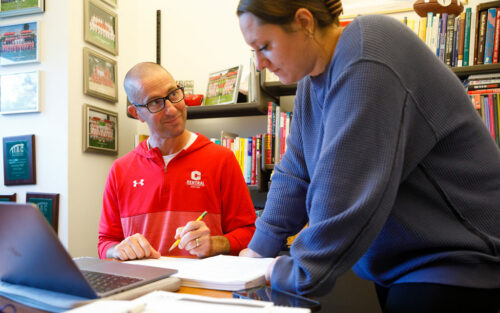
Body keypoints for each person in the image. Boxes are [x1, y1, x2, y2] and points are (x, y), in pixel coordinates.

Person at [237, 0, 500, 312]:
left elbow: (346, 185)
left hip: (459, 260)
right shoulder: (311, 81)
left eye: (264, 46)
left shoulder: (368, 54)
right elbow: (294, 173)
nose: (259, 63)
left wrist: (295, 271)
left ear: (304, 22)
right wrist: (257, 251)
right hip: (403, 266)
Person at [98, 62, 256, 261]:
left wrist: (215, 244)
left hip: (204, 289)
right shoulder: (120, 170)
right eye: (155, 102)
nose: (172, 109)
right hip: (142, 287)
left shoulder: (222, 159)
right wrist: (118, 250)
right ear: (136, 113)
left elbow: (250, 234)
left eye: (173, 94)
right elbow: (105, 243)